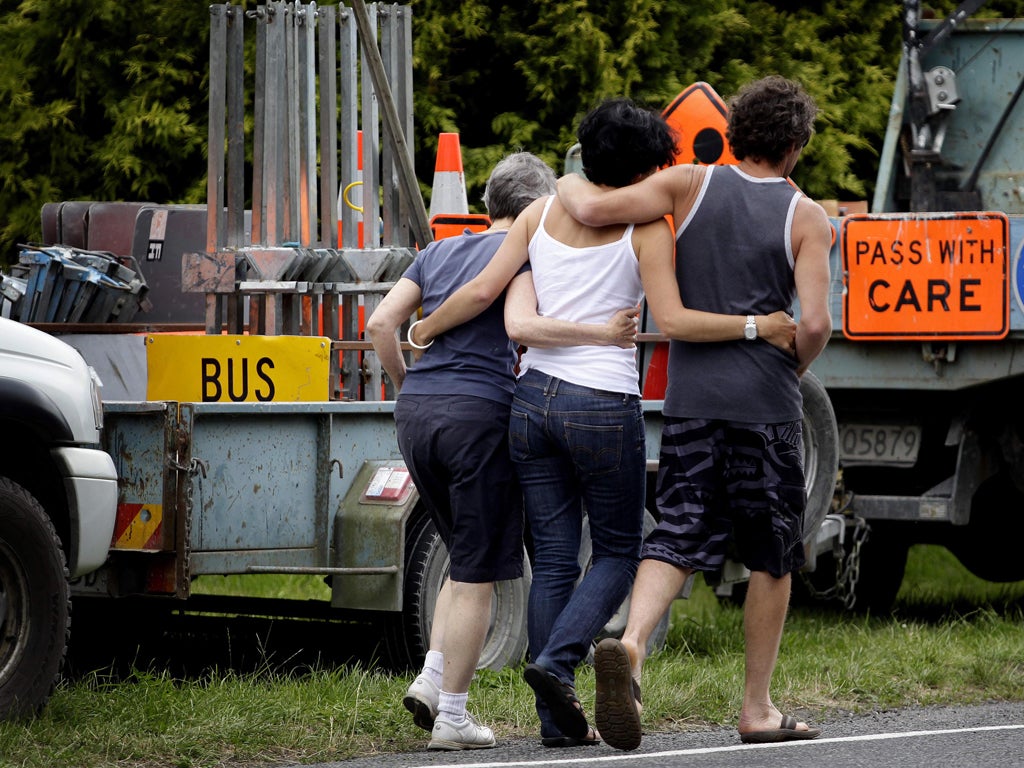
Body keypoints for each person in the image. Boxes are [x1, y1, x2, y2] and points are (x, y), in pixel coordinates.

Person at [409, 98, 798, 749]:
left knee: (555, 557)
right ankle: (556, 661)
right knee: (617, 550)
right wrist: (759, 326)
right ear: (649, 167)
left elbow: (482, 291)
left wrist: (422, 327)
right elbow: (671, 319)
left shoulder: (539, 211)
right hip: (601, 404)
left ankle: (554, 723)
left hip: (531, 403)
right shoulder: (649, 227)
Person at [558, 76, 833, 750]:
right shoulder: (807, 217)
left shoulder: (687, 184)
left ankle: (633, 644)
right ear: (795, 145)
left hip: (690, 402)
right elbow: (818, 322)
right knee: (773, 556)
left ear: (735, 131)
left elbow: (593, 210)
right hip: (765, 404)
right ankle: (757, 709)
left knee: (679, 530)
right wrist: (789, 367)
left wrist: (563, 182)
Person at [366, 151, 635, 751]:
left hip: (418, 417)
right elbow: (525, 324)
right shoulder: (527, 248)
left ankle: (434, 679)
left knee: (464, 552)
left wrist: (409, 386)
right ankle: (453, 715)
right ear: (538, 207)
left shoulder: (436, 252)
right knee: (480, 568)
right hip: (480, 416)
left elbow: (382, 324)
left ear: (488, 203)